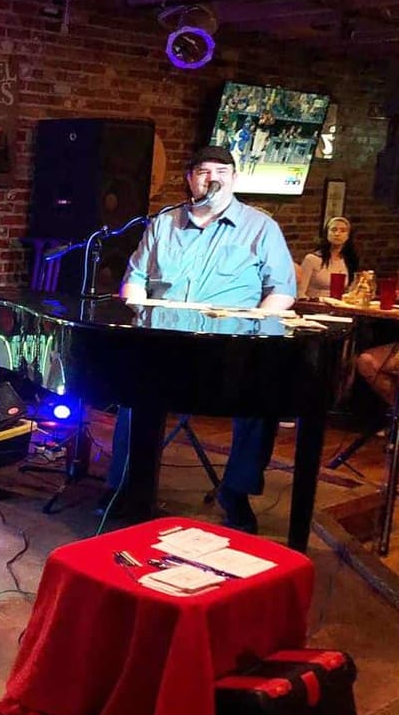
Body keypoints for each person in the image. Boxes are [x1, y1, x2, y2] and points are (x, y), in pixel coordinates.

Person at [98, 144, 297, 532]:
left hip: (231, 348)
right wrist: (139, 316)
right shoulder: (163, 224)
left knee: (262, 398)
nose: (213, 178)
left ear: (234, 179)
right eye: (204, 171)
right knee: (131, 390)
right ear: (190, 179)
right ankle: (125, 485)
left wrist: (257, 329)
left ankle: (235, 491)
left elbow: (282, 291)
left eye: (222, 171)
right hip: (164, 343)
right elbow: (134, 280)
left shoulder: (262, 228)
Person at [296, 216, 359, 299]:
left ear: (348, 236)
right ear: (327, 233)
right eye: (333, 230)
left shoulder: (348, 260)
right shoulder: (312, 259)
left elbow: (349, 292)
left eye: (343, 231)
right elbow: (299, 292)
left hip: (338, 306)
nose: (337, 234)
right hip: (315, 305)